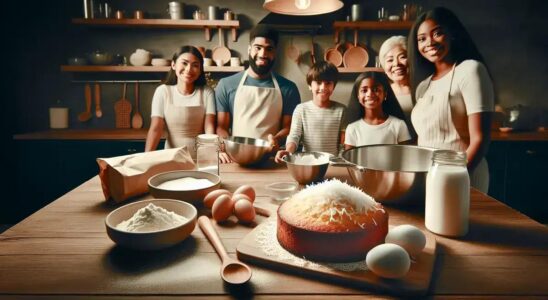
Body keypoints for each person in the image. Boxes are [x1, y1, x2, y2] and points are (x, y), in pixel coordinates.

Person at [408, 7, 494, 192]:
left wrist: (453, 178)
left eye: (437, 33)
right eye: (421, 39)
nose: (429, 42)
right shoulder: (423, 86)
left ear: (452, 34)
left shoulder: (470, 70)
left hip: (465, 177)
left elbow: (480, 139)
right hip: (430, 178)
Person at [215, 25, 301, 163]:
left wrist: (276, 139)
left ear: (275, 52)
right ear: (249, 49)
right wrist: (228, 148)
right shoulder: (226, 85)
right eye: (258, 47)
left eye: (269, 49)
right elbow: (221, 127)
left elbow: (289, 127)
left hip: (272, 160)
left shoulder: (289, 88)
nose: (263, 54)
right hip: (235, 159)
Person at [145, 46, 215, 157]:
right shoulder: (163, 91)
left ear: (200, 70)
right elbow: (156, 129)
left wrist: (214, 152)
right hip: (171, 159)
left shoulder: (207, 92)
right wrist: (146, 157)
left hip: (201, 158)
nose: (189, 69)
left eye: (195, 65)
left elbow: (209, 127)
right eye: (184, 63)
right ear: (173, 65)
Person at [274, 61, 346, 161]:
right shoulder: (301, 109)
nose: (323, 87)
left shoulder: (342, 110)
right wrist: (288, 151)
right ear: (309, 85)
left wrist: (341, 161)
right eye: (319, 82)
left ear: (333, 86)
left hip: (332, 163)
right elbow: (294, 135)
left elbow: (343, 143)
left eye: (328, 83)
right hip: (308, 163)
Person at [344, 72, 411, 149]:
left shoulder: (398, 125)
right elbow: (348, 159)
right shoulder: (353, 128)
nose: (370, 94)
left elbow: (406, 156)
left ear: (385, 94)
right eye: (364, 90)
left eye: (376, 89)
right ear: (358, 96)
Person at [379, 36, 414, 120]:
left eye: (402, 57)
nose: (396, 64)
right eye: (390, 60)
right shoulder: (380, 94)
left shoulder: (424, 90)